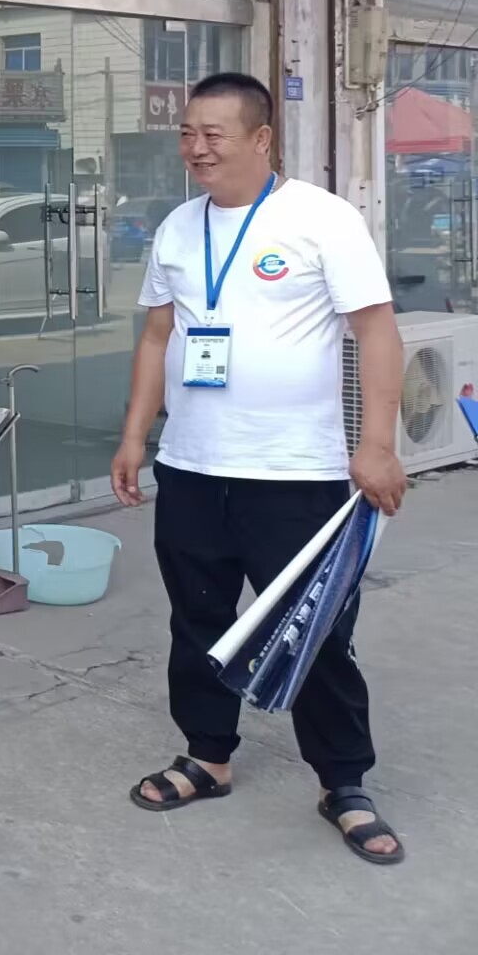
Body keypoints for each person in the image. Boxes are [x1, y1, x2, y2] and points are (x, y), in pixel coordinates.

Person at [111, 72, 408, 865]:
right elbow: (156, 337)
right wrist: (136, 436)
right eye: (187, 133)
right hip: (193, 466)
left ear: (261, 138)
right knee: (198, 621)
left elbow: (376, 331)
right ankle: (207, 757)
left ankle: (343, 782)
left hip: (296, 474)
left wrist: (376, 443)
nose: (196, 148)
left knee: (315, 632)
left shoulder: (321, 219)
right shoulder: (178, 228)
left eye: (213, 133)